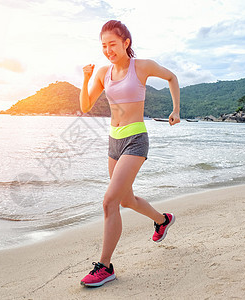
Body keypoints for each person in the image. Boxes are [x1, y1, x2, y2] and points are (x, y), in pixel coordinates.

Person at [79, 20, 180, 287]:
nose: (108, 50)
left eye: (112, 44)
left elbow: (172, 77)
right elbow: (86, 106)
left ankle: (105, 266)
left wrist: (176, 110)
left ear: (126, 43)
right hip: (114, 141)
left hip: (136, 140)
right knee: (126, 200)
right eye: (103, 46)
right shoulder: (103, 73)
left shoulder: (142, 67)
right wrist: (87, 77)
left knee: (109, 202)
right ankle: (162, 220)